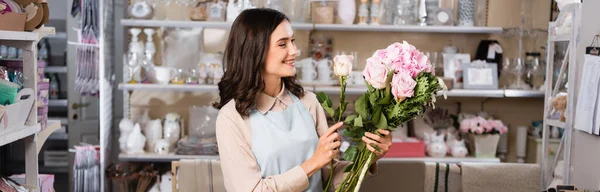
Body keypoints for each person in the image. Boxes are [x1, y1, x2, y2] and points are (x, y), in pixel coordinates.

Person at [213, 8, 393, 192]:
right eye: (282, 44)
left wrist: (369, 157)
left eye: (292, 41)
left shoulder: (308, 102)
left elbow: (331, 180)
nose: (294, 51)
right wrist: (313, 163)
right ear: (255, 50)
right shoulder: (231, 118)